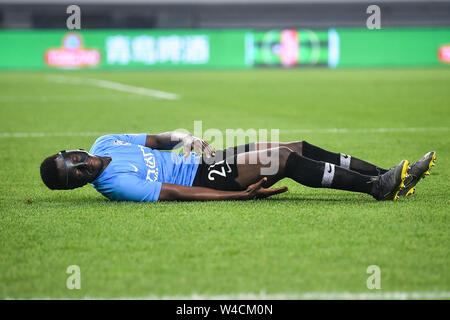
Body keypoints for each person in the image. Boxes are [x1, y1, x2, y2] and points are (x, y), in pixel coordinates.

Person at [39, 131, 436, 202]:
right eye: (74, 177)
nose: (80, 168)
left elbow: (157, 140)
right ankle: (377, 188)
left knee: (294, 145)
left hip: (201, 159)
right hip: (200, 176)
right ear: (77, 185)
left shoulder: (104, 143)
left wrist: (185, 138)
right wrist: (237, 196)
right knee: (283, 160)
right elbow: (176, 192)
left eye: (71, 162)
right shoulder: (113, 185)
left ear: (70, 152)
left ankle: (386, 175)